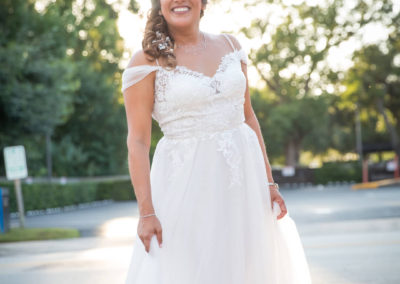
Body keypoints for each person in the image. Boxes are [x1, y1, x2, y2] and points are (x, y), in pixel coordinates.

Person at [121, 0, 312, 283]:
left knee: (247, 267)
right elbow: (137, 141)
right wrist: (146, 212)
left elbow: (248, 118)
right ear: (159, 5)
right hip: (185, 188)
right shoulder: (145, 61)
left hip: (244, 187)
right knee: (192, 269)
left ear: (203, 3)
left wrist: (269, 183)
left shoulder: (231, 46)